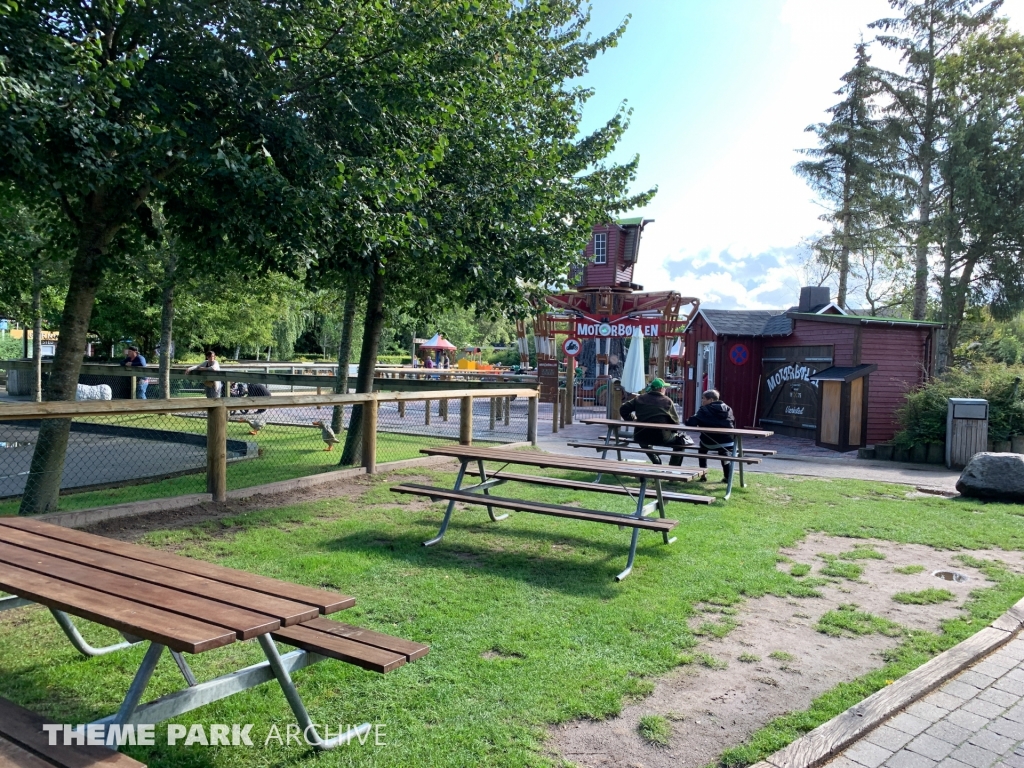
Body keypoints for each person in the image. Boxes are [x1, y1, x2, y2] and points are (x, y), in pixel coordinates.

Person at [619, 378, 694, 466]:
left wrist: (632, 419)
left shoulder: (639, 398)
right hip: (661, 437)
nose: (665, 390)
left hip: (640, 435)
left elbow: (623, 409)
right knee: (680, 443)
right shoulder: (667, 401)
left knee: (644, 441)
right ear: (661, 389)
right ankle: (672, 469)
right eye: (664, 388)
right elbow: (675, 422)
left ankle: (655, 459)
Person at [685, 389, 736, 483]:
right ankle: (727, 477)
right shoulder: (728, 409)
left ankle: (703, 475)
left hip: (709, 442)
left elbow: (691, 423)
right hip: (728, 442)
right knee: (724, 452)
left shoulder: (704, 409)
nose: (702, 401)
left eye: (704, 399)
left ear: (711, 400)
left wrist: (688, 420)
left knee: (702, 450)